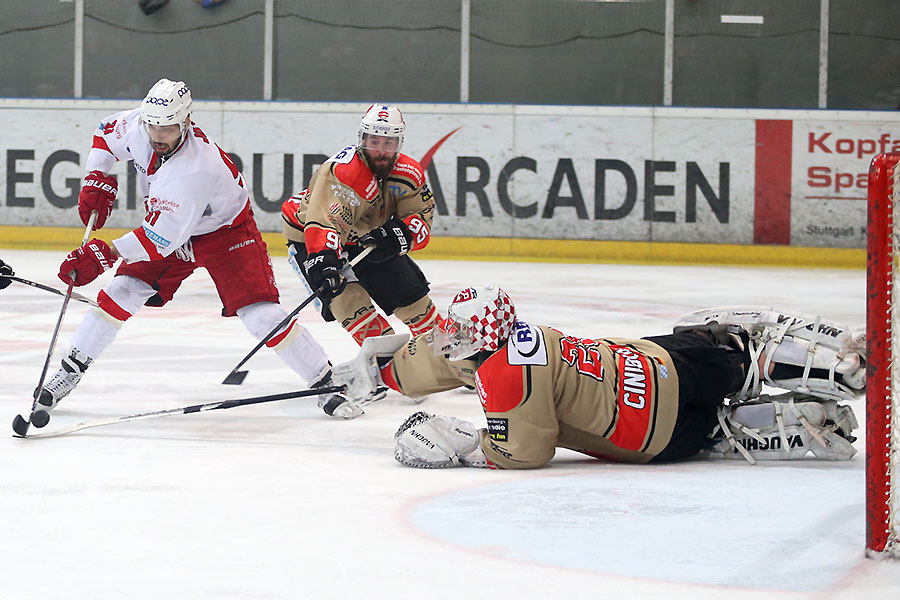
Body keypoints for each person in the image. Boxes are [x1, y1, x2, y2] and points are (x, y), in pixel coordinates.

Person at [41, 78, 361, 421]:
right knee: (121, 290)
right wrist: (96, 177)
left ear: (186, 122)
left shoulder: (195, 167)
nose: (158, 136)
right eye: (153, 126)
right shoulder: (140, 125)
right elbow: (104, 134)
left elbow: (159, 239)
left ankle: (324, 381)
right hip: (172, 226)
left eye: (168, 128)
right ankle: (70, 370)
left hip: (226, 234)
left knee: (261, 316)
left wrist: (104, 253)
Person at [331, 285, 864, 469]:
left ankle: (785, 424)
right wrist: (380, 370)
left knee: (714, 433)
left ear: (480, 337)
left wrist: (464, 445)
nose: (445, 336)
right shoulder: (514, 337)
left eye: (456, 332)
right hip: (662, 366)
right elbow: (445, 358)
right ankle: (836, 360)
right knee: (728, 348)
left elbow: (523, 450)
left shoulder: (508, 379)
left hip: (657, 437)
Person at [281, 103, 442, 367]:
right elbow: (324, 222)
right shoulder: (343, 172)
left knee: (412, 299)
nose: (380, 150)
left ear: (399, 143)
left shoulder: (408, 175)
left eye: (388, 143)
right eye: (373, 141)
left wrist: (399, 234)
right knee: (350, 305)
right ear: (362, 139)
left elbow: (422, 219)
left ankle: (448, 356)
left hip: (366, 237)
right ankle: (396, 366)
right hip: (311, 239)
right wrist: (324, 260)